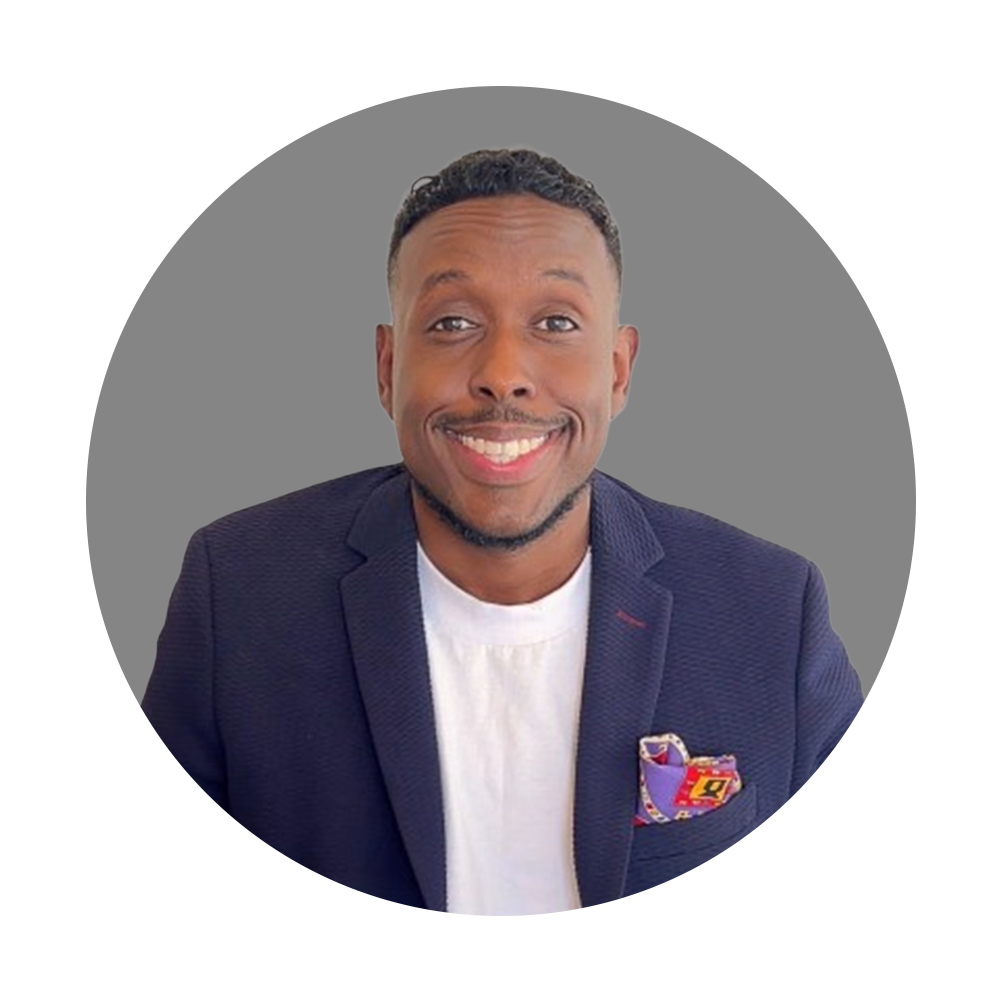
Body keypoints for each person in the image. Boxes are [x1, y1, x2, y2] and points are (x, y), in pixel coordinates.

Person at [141, 148, 864, 927]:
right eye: (453, 324)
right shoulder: (240, 593)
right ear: (387, 367)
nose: (504, 373)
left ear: (618, 371)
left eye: (555, 323)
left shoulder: (768, 609)